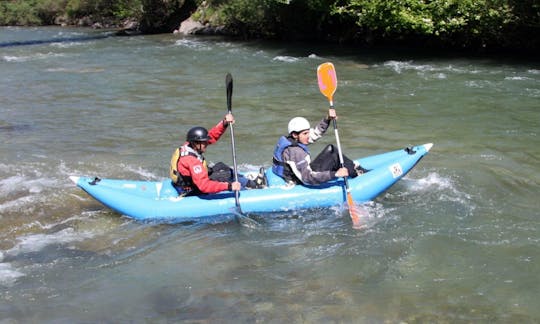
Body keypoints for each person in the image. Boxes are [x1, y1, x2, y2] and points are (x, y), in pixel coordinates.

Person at [170, 113, 266, 196]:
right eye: (203, 143)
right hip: (191, 189)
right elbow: (204, 186)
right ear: (195, 143)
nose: (206, 144)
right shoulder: (192, 161)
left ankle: (246, 181)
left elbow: (211, 136)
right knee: (224, 175)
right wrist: (229, 186)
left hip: (191, 180)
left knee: (221, 166)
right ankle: (253, 186)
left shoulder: (189, 145)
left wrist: (224, 123)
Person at [272, 108, 368, 186]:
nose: (308, 135)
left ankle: (352, 168)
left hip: (296, 173)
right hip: (300, 181)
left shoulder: (292, 140)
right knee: (333, 153)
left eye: (308, 132)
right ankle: (356, 174)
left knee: (331, 149)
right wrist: (335, 174)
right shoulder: (296, 152)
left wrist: (327, 119)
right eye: (305, 133)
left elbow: (315, 133)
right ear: (295, 135)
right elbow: (307, 178)